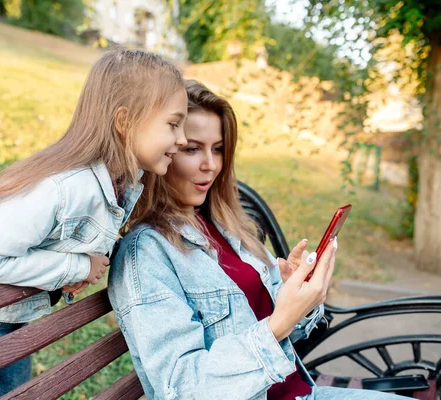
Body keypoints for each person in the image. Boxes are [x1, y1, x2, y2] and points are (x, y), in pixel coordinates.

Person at [108, 80, 408, 400]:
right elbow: (182, 386)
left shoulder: (226, 227)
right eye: (192, 148)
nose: (211, 164)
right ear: (164, 151)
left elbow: (290, 326)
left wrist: (297, 297)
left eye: (218, 148)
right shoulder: (147, 253)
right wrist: (278, 324)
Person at [0, 49, 189, 400]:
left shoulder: (120, 182)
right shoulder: (65, 187)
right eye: (173, 124)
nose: (182, 139)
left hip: (7, 320)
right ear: (124, 122)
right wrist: (78, 266)